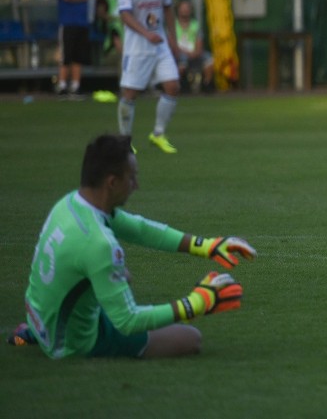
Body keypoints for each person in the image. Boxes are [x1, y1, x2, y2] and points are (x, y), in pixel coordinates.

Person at [9, 134, 257, 359]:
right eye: (132, 177)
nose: (136, 185)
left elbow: (138, 228)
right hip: (68, 344)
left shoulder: (71, 203)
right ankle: (62, 339)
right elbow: (127, 321)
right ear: (112, 182)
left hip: (39, 316)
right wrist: (195, 303)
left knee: (120, 277)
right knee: (190, 339)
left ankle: (31, 332)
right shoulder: (99, 244)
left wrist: (206, 246)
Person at [117, 0, 181, 154]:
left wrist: (173, 38)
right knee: (130, 93)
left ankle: (158, 134)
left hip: (160, 45)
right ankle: (125, 142)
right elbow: (125, 15)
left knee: (172, 86)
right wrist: (146, 34)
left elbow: (168, 9)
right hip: (137, 47)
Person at [55, 0, 99, 97]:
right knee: (65, 56)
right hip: (67, 23)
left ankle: (75, 86)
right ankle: (61, 86)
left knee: (78, 57)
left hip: (82, 23)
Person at [175, 0, 215, 93]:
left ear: (191, 10)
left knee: (209, 59)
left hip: (194, 53)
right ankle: (181, 85)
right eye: (183, 8)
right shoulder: (173, 25)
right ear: (178, 10)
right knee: (182, 60)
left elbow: (199, 45)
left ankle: (206, 84)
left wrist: (194, 53)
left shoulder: (195, 25)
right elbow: (171, 44)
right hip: (178, 54)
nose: (185, 10)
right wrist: (183, 52)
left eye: (187, 8)